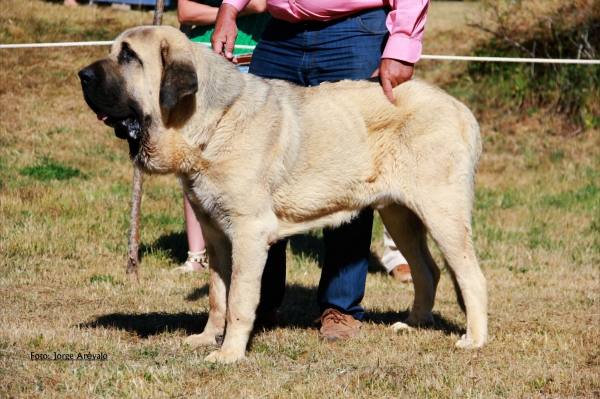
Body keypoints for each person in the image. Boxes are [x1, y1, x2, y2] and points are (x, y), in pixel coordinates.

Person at [212, 0, 428, 340]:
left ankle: (340, 308)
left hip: (354, 31)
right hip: (280, 34)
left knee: (350, 170)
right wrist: (229, 7)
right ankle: (255, 304)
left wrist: (402, 45)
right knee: (257, 170)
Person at [171, 0, 269, 273]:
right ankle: (197, 254)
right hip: (200, 63)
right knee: (192, 160)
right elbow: (185, 11)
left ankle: (239, 248)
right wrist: (230, 13)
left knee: (241, 167)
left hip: (248, 59)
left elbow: (262, 5)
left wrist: (226, 12)